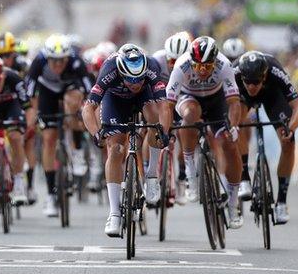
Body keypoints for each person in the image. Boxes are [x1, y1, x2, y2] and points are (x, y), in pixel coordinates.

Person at [82, 43, 170, 237]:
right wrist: (96, 133)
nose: (135, 83)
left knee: (154, 122)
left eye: (138, 78)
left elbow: (165, 106)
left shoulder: (152, 66)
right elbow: (88, 108)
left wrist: (164, 132)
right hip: (115, 101)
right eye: (130, 79)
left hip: (144, 99)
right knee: (116, 149)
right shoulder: (110, 69)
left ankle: (152, 175)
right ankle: (114, 213)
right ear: (121, 71)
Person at [162, 36, 244, 229]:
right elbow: (168, 106)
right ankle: (190, 172)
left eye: (207, 66)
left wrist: (233, 127)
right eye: (198, 66)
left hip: (217, 101)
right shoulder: (181, 66)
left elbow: (234, 103)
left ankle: (233, 205)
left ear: (215, 61)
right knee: (189, 115)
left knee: (229, 145)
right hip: (189, 98)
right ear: (191, 61)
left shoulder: (224, 65)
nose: (202, 70)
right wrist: (165, 130)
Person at [26, 34, 93, 217]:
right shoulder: (38, 62)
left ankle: (77, 151)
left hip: (70, 88)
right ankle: (50, 195)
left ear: (67, 57)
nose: (57, 65)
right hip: (48, 91)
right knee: (49, 139)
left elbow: (90, 90)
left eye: (61, 61)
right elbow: (31, 93)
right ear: (47, 58)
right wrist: (35, 114)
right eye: (53, 61)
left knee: (73, 105)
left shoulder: (76, 62)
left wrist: (83, 114)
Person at [233, 51, 298, 224]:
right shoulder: (234, 71)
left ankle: (281, 201)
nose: (251, 86)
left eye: (256, 81)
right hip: (242, 98)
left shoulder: (274, 70)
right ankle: (244, 178)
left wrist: (291, 129)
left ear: (264, 75)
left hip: (273, 96)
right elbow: (222, 102)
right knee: (236, 123)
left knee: (288, 143)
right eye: (247, 81)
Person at [0, 54, 35, 213]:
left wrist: (28, 127)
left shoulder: (14, 78)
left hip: (11, 108)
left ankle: (18, 182)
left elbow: (28, 107)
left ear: (3, 73)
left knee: (16, 137)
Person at [151, 31, 191, 205]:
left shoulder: (193, 65)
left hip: (181, 99)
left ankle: (182, 178)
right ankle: (148, 172)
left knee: (184, 132)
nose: (175, 65)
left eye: (179, 61)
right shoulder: (156, 60)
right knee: (150, 129)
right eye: (172, 61)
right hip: (161, 100)